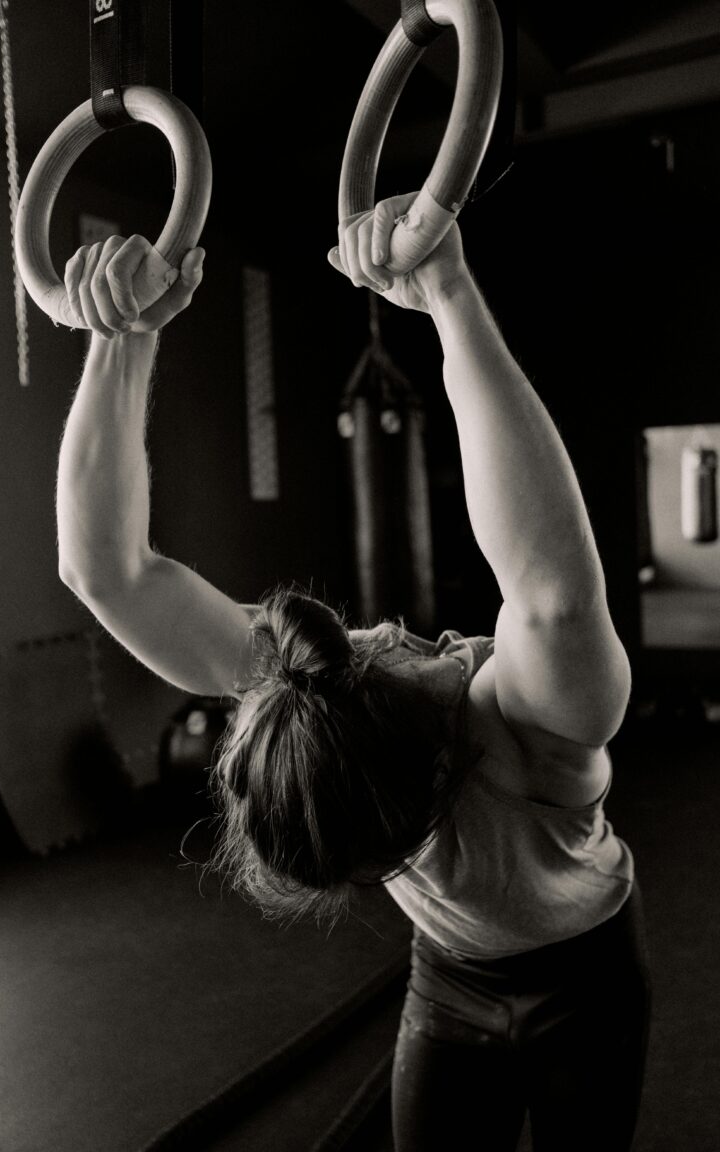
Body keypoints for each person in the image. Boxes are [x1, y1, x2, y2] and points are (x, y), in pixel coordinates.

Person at [56, 195, 650, 1151]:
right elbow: (550, 592)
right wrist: (448, 292)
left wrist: (119, 339)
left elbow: (106, 572)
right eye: (365, 639)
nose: (367, 628)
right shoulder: (532, 731)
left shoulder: (317, 714)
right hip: (489, 976)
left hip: (558, 978)